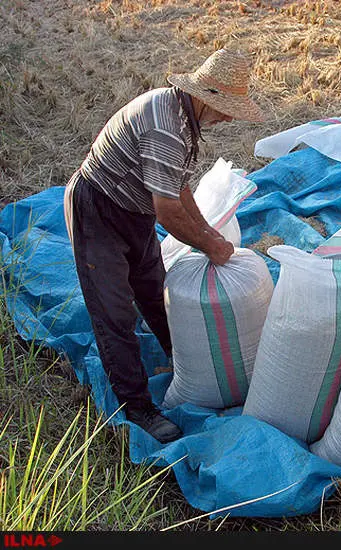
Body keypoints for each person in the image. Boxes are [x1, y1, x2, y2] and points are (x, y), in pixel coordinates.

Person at [63, 48, 265, 444]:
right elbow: (168, 210)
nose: (227, 117)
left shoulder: (184, 119)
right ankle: (138, 407)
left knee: (155, 291)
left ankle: (186, 359)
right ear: (207, 97)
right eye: (226, 108)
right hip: (98, 208)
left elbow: (180, 186)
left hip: (134, 209)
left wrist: (210, 232)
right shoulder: (165, 126)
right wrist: (209, 246)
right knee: (114, 313)